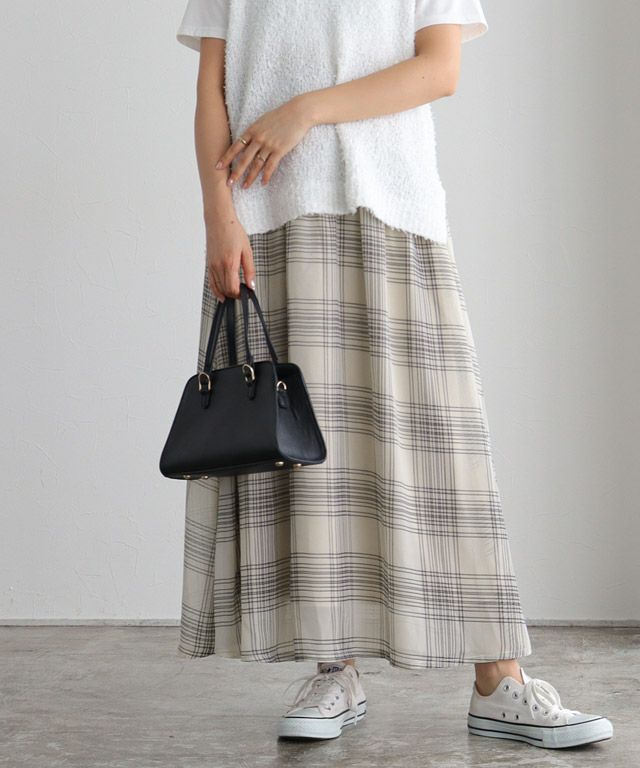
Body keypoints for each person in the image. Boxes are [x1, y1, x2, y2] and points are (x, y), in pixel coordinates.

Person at [174, 0, 613, 749]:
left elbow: (440, 69)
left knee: (442, 451)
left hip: (394, 207)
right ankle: (334, 668)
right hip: (270, 218)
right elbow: (211, 89)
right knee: (309, 462)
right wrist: (219, 216)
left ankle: (498, 679)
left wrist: (304, 110)